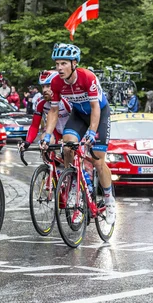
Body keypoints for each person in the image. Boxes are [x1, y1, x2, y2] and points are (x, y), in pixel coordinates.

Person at [40, 43, 115, 225]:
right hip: (79, 115)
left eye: (63, 63)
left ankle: (109, 200)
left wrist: (91, 132)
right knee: (67, 146)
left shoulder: (87, 77)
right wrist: (47, 135)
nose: (59, 68)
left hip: (99, 115)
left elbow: (96, 107)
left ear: (74, 63)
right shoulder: (57, 82)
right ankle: (73, 185)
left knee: (97, 161)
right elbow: (54, 110)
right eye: (57, 64)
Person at [19, 70, 71, 149]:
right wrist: (27, 142)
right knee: (44, 140)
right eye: (43, 86)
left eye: (48, 86)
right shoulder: (41, 103)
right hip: (55, 132)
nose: (44, 90)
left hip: (71, 131)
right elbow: (34, 126)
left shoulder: (67, 100)